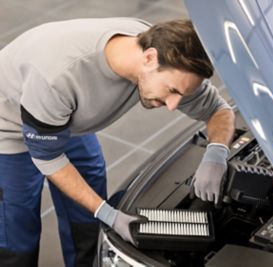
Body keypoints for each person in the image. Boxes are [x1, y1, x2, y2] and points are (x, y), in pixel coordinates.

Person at [0, 17, 234, 267]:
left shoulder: (167, 53)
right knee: (18, 226)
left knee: (88, 210)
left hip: (62, 117)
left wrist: (217, 152)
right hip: (9, 127)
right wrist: (109, 214)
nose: (173, 105)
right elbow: (48, 158)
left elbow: (219, 110)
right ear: (149, 58)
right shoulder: (59, 76)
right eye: (172, 91)